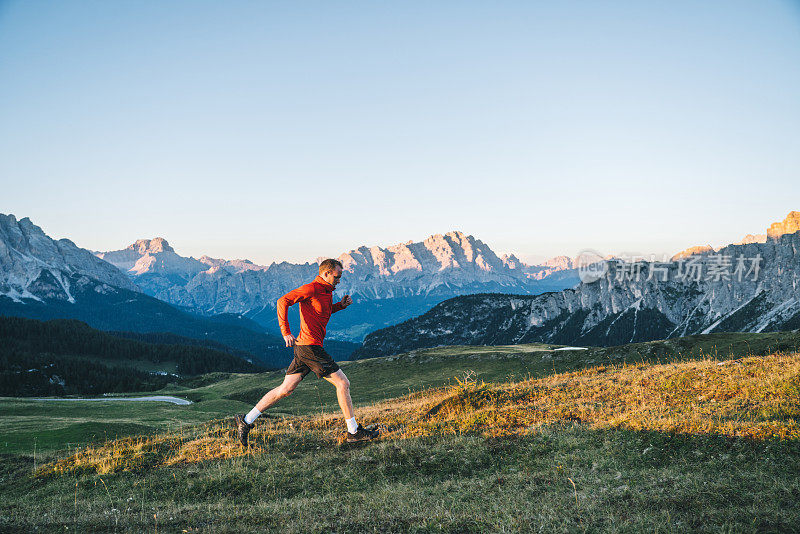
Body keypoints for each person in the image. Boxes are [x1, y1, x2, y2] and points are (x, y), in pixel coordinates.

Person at [234, 258, 379, 447]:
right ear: (326, 273)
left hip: (304, 348)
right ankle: (353, 432)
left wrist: (340, 306)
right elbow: (282, 301)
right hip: (310, 347)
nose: (339, 280)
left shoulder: (327, 292)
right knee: (343, 383)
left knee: (285, 389)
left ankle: (245, 421)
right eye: (337, 276)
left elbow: (321, 313)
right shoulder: (311, 288)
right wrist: (285, 332)